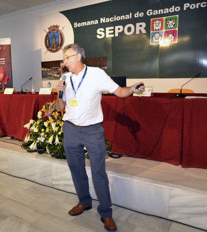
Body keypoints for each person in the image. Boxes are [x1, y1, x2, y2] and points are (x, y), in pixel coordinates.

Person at [56, 44, 145, 231]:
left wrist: (132, 88)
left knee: (98, 172)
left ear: (79, 56)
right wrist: (59, 93)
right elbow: (58, 107)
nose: (64, 62)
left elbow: (120, 92)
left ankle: (106, 212)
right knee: (76, 169)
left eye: (67, 57)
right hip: (70, 129)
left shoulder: (96, 74)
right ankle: (84, 201)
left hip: (92, 131)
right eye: (63, 58)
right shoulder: (65, 78)